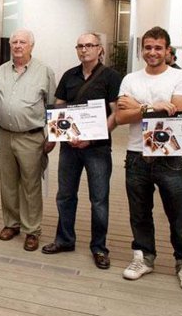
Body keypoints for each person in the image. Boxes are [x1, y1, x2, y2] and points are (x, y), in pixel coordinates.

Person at [116, 26, 182, 292]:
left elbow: (178, 111)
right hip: (136, 154)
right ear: (142, 50)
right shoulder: (130, 78)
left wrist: (137, 107)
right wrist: (154, 107)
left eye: (158, 48)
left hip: (169, 156)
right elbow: (120, 117)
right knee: (139, 212)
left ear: (167, 50)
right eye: (148, 47)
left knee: (179, 213)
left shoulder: (181, 76)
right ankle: (143, 257)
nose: (152, 52)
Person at [41, 33, 122, 269]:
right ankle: (65, 240)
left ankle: (99, 248)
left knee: (99, 199)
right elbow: (59, 108)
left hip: (97, 148)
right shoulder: (69, 75)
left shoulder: (111, 77)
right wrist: (62, 134)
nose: (84, 49)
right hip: (69, 147)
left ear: (100, 49)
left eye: (89, 45)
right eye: (80, 46)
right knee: (65, 195)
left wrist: (91, 137)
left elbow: (115, 113)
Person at [0, 28, 56, 252]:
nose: (17, 45)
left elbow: (53, 107)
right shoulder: (1, 70)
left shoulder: (44, 71)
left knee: (31, 185)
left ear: (31, 46)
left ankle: (32, 230)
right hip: (3, 134)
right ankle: (11, 224)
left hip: (31, 137)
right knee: (7, 183)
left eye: (22, 42)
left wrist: (52, 136)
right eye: (14, 42)